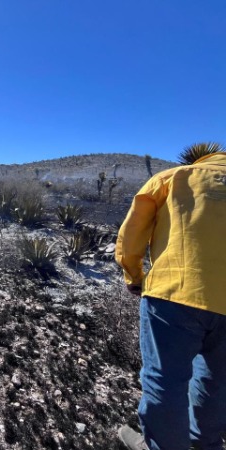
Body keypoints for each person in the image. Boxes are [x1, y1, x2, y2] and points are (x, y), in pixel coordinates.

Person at [115, 151, 226, 450]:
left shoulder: (172, 178)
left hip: (175, 293)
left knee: (164, 381)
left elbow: (131, 235)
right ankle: (206, 445)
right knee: (218, 382)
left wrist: (134, 276)